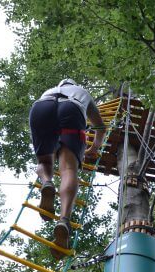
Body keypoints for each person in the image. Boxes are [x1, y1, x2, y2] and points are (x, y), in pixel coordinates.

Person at [29, 78, 106, 259]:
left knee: (45, 162)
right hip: (72, 109)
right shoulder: (82, 93)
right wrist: (94, 148)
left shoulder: (50, 89)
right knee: (68, 170)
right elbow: (100, 127)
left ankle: (47, 183)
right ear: (73, 85)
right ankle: (64, 219)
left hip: (41, 108)